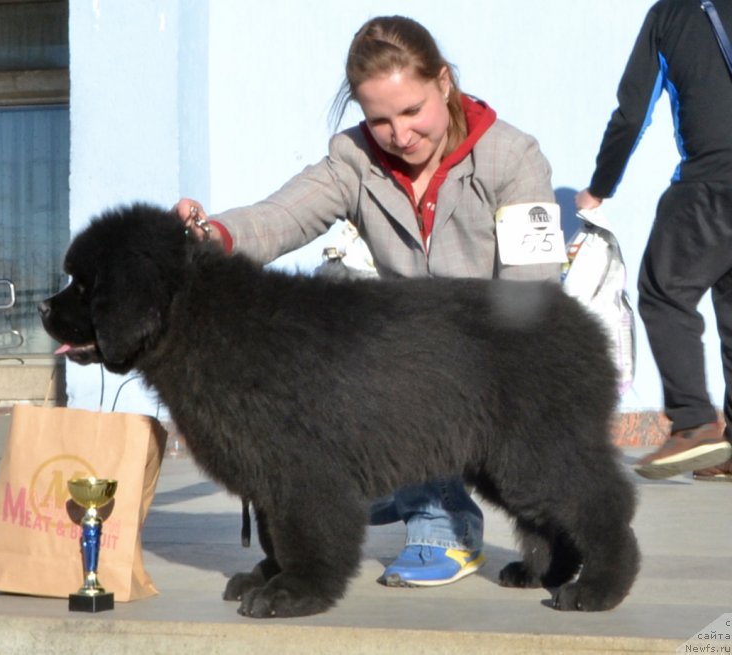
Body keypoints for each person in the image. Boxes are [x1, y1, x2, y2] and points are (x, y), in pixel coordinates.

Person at [176, 15, 564, 586]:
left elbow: (532, 289)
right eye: (379, 120)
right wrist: (212, 234)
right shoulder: (354, 160)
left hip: (497, 352)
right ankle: (402, 509)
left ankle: (447, 525)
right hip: (410, 355)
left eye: (412, 112)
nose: (399, 135)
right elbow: (281, 216)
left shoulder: (512, 158)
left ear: (445, 83)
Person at [575, 0, 732, 481]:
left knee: (666, 293)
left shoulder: (673, 13)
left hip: (709, 184)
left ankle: (694, 422)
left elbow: (632, 112)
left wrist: (600, 186)